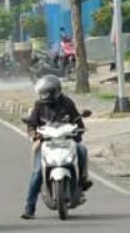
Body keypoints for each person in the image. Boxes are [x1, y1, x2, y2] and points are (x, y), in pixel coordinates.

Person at [21, 75, 91, 219]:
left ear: (55, 91)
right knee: (37, 173)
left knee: (82, 150)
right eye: (42, 93)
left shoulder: (67, 103)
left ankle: (83, 180)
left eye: (46, 93)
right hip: (46, 143)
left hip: (66, 141)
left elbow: (78, 122)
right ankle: (29, 207)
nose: (44, 96)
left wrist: (77, 133)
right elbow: (31, 124)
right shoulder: (39, 106)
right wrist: (34, 134)